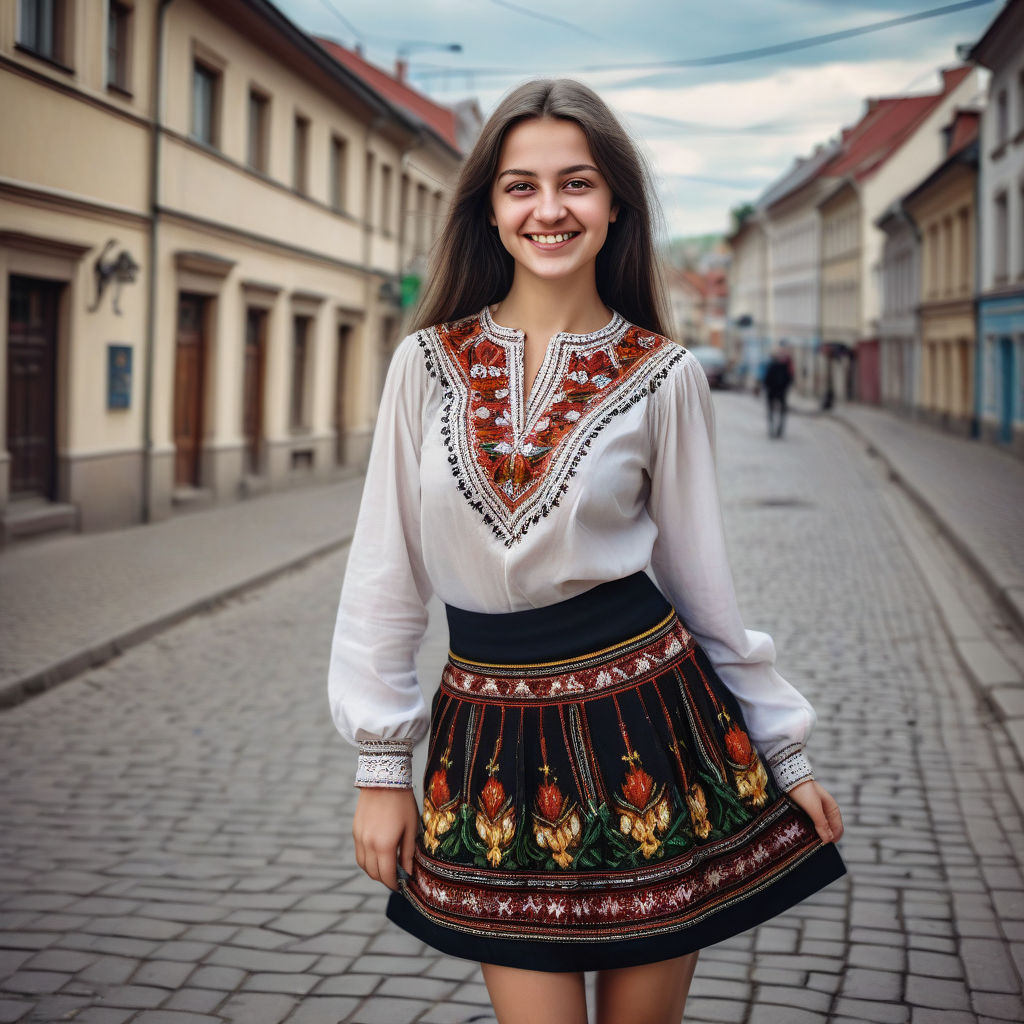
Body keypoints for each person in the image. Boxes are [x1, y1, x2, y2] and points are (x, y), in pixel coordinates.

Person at [328, 79, 845, 1024]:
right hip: (486, 740)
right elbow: (384, 574)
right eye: (521, 186)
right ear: (490, 208)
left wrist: (786, 750)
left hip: (648, 723)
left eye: (577, 183)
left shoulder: (666, 375)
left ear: (615, 208)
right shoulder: (426, 364)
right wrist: (378, 767)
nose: (549, 208)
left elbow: (703, 585)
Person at [763, 345, 794, 438]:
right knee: (776, 411)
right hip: (777, 391)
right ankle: (775, 429)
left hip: (776, 391)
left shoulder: (781, 366)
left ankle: (776, 429)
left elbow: (767, 379)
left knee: (775, 411)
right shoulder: (778, 366)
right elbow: (790, 379)